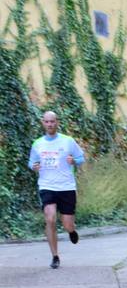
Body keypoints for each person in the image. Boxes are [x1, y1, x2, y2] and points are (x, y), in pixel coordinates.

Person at [27, 110, 85, 269]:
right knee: (50, 218)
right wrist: (34, 166)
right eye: (47, 121)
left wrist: (74, 160)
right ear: (43, 123)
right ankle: (55, 256)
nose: (50, 124)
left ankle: (71, 231)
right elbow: (31, 162)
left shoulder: (68, 141)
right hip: (47, 186)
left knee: (67, 224)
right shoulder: (37, 143)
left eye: (52, 121)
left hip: (66, 187)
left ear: (57, 122)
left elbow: (81, 158)